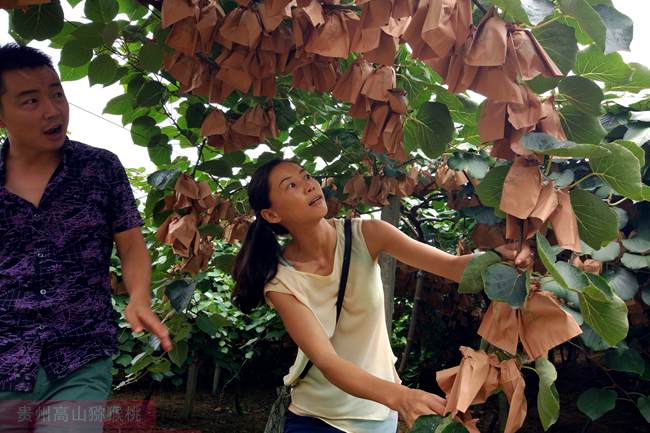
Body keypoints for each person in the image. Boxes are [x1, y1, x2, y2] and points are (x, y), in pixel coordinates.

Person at [232, 159, 530, 433]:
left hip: (377, 415)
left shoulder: (367, 234)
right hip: (316, 417)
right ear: (271, 214)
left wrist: (499, 257)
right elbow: (327, 360)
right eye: (292, 186)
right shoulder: (281, 280)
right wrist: (402, 397)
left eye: (307, 176)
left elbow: (451, 267)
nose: (310, 184)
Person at [0, 43, 171, 432]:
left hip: (80, 355)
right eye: (31, 101)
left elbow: (131, 245)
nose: (53, 109)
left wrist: (140, 297)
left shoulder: (100, 168)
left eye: (57, 93)